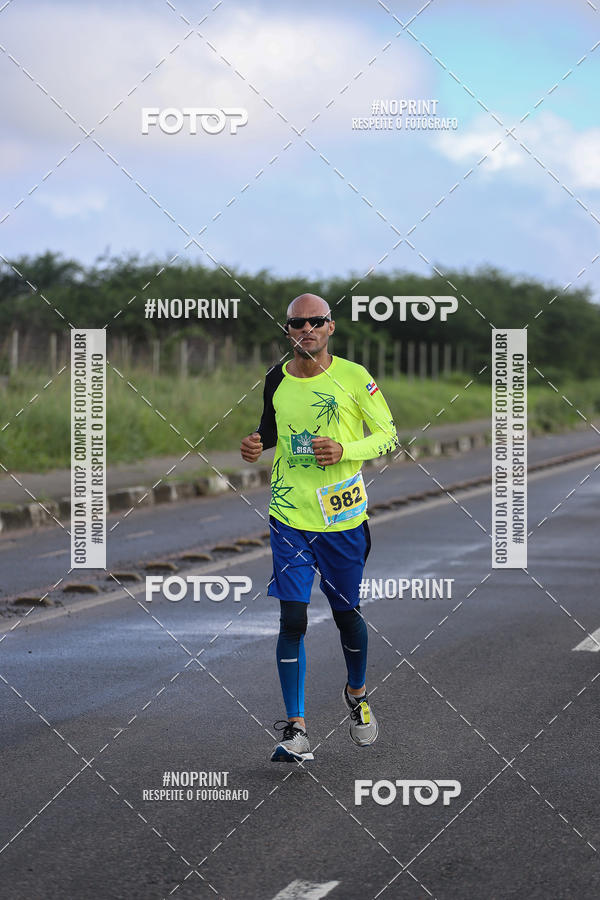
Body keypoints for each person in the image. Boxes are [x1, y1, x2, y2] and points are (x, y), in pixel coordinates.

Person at [240, 293, 398, 762]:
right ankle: (296, 728)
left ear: (331, 327)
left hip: (342, 517)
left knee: (346, 613)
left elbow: (388, 435)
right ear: (287, 330)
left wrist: (345, 450)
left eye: (315, 321)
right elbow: (270, 431)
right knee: (293, 618)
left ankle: (357, 695)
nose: (306, 329)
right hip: (288, 515)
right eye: (296, 323)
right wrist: (255, 445)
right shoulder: (276, 378)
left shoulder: (354, 377)